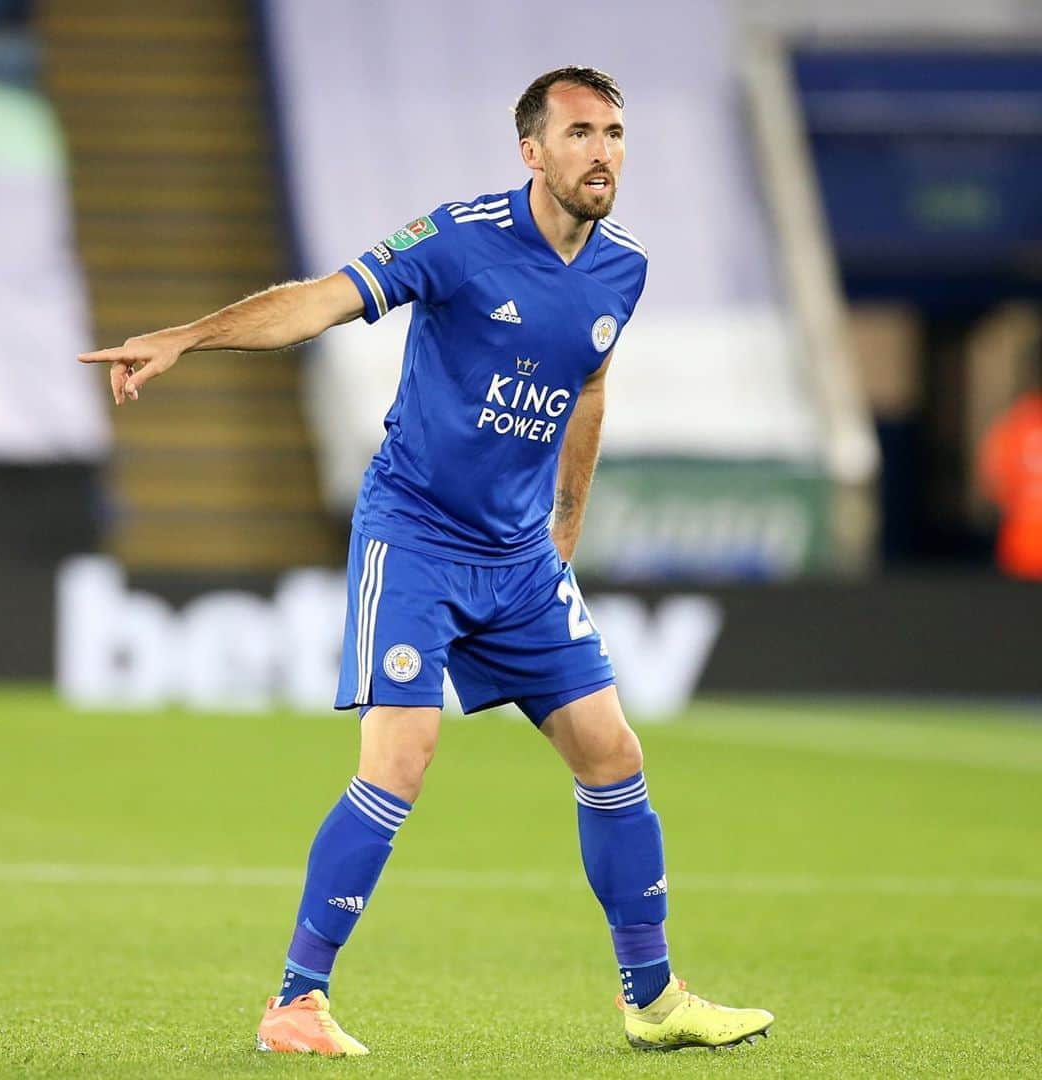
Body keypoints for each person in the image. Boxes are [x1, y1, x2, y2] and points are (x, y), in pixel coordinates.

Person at [80, 66, 773, 1055]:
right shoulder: (458, 236)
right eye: (579, 133)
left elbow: (587, 393)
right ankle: (296, 1002)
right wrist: (189, 340)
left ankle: (654, 1000)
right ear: (533, 151)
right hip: (417, 536)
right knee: (401, 756)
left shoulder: (624, 267)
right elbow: (319, 301)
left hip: (520, 557)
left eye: (615, 132)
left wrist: (564, 531)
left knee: (614, 756)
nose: (603, 151)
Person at [979, 338, 1042, 580]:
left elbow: (994, 489)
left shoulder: (1010, 426)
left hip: (1019, 552)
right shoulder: (1011, 427)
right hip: (1021, 555)